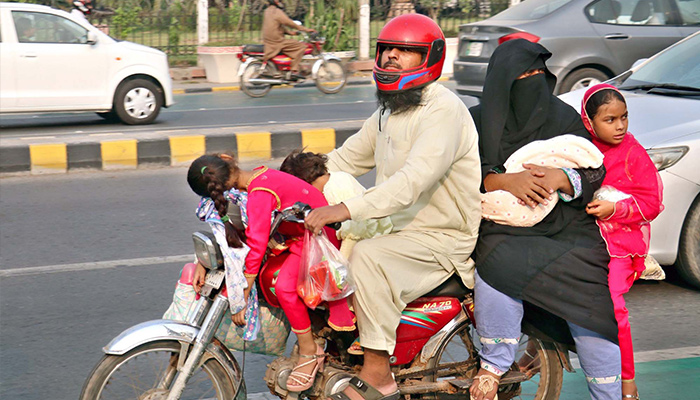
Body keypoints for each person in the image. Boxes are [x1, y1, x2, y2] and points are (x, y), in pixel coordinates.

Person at [303, 13, 482, 400]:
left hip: (440, 236)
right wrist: (291, 180)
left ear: (430, 58)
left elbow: (412, 181)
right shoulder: (389, 110)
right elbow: (344, 160)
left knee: (366, 257)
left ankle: (378, 372)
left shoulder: (443, 111)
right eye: (388, 51)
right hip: (399, 226)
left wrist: (345, 209)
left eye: (407, 52)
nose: (393, 59)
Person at [467, 39, 621, 400]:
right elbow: (461, 174)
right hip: (506, 228)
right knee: (495, 265)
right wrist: (503, 180)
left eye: (538, 73)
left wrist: (563, 179)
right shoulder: (475, 122)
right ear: (503, 81)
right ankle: (493, 364)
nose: (532, 81)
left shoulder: (562, 116)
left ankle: (609, 393)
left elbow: (596, 170)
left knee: (592, 305)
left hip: (566, 228)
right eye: (522, 75)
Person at [187, 153, 355, 392]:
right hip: (296, 240)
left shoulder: (260, 194)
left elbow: (256, 242)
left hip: (316, 242)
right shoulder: (257, 178)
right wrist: (203, 262)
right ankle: (315, 332)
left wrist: (243, 291)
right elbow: (237, 232)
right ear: (227, 159)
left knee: (284, 287)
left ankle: (310, 350)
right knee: (267, 277)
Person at [582, 83, 664, 400]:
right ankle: (534, 360)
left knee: (614, 311)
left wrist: (615, 208)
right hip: (582, 239)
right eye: (610, 120)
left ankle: (627, 383)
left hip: (619, 245)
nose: (620, 126)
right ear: (589, 122)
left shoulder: (632, 151)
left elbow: (652, 202)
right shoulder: (578, 149)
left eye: (624, 118)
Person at [262, 0, 316, 81]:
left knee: (293, 44)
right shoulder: (276, 12)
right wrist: (306, 29)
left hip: (270, 41)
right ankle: (294, 70)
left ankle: (288, 68)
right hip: (278, 42)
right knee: (301, 46)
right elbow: (290, 23)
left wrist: (291, 33)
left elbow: (276, 26)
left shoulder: (267, 11)